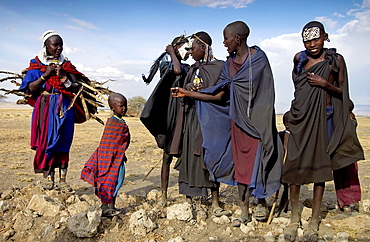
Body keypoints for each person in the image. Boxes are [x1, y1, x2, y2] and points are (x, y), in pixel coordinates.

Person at [172, 21, 283, 226]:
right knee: (240, 164)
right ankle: (243, 209)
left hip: (258, 122)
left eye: (226, 38)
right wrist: (188, 93)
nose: (224, 43)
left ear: (238, 38)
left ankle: (261, 202)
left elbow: (266, 92)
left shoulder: (258, 59)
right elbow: (219, 95)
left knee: (258, 161)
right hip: (236, 121)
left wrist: (263, 120)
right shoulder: (228, 64)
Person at [282, 21, 364, 242]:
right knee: (294, 166)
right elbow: (298, 88)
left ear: (325, 37)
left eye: (315, 39)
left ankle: (315, 219)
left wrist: (323, 84)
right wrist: (294, 113)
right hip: (302, 117)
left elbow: (342, 91)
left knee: (320, 166)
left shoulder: (335, 61)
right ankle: (294, 217)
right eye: (307, 40)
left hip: (325, 116)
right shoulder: (299, 59)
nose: (311, 44)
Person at [19, 30, 90, 192]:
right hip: (45, 107)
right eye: (55, 44)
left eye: (61, 45)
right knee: (48, 141)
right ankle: (49, 180)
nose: (59, 48)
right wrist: (46, 75)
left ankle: (63, 181)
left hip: (64, 106)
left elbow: (77, 86)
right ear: (46, 45)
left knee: (63, 141)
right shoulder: (37, 64)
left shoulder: (66, 65)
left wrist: (63, 77)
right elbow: (30, 88)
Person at [171, 31, 231, 216]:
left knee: (209, 157)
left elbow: (220, 94)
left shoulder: (220, 66)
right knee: (189, 156)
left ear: (203, 48)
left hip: (210, 121)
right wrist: (189, 87)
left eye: (193, 48)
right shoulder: (194, 68)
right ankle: (188, 200)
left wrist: (193, 92)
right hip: (192, 119)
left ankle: (215, 202)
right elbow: (188, 86)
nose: (190, 51)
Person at [140, 35, 190, 206]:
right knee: (167, 157)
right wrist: (171, 53)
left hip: (183, 113)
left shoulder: (187, 67)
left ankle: (188, 195)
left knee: (185, 156)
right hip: (171, 114)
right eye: (185, 48)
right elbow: (176, 71)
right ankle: (163, 195)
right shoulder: (169, 64)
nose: (189, 52)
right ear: (175, 49)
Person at [81, 93, 130, 217]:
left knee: (117, 181)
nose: (124, 108)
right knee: (111, 181)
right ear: (113, 108)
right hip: (109, 159)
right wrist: (114, 155)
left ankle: (111, 207)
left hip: (118, 159)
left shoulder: (120, 122)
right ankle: (106, 207)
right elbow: (108, 144)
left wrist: (121, 154)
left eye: (125, 106)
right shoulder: (112, 123)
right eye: (120, 106)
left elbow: (120, 143)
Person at [333, 100, 361, 212]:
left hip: (345, 155)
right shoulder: (348, 119)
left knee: (344, 179)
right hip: (345, 155)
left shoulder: (348, 120)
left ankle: (347, 203)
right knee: (345, 179)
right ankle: (346, 202)